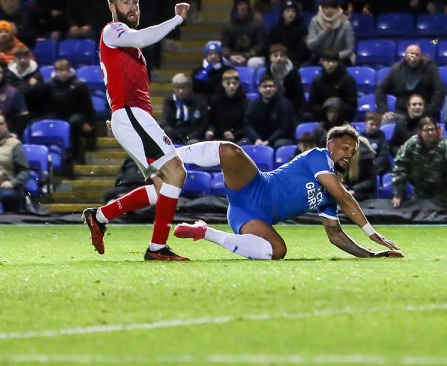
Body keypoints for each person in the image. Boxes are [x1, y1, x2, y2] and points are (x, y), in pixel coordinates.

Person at [172, 126, 402, 260]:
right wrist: (370, 232)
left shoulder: (330, 191)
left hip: (249, 217)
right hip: (254, 187)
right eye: (345, 147)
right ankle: (168, 154)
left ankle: (204, 232)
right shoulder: (318, 156)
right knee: (231, 151)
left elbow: (336, 236)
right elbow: (345, 197)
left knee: (278, 251)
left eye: (353, 152)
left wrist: (370, 255)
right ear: (330, 144)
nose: (349, 154)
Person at [82, 0, 191, 261]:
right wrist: (177, 18)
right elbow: (142, 38)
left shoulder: (123, 40)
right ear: (113, 7)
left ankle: (101, 215)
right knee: (176, 173)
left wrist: (118, 115)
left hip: (127, 116)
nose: (133, 7)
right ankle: (157, 249)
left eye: (136, 2)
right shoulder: (113, 30)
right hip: (131, 114)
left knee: (161, 187)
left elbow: (118, 78)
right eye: (126, 2)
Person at [391, 116, 447, 210]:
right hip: (419, 193)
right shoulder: (412, 144)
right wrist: (398, 194)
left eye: (432, 130)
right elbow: (400, 167)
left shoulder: (444, 145)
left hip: (442, 194)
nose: (430, 133)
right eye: (426, 130)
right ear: (420, 132)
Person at [41, 59, 97, 160]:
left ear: (69, 70)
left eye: (65, 70)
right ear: (56, 72)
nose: (63, 73)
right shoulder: (49, 85)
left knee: (73, 122)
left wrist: (89, 122)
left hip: (76, 114)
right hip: (57, 114)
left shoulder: (79, 85)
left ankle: (74, 155)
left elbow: (87, 106)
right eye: (60, 70)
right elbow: (46, 105)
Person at [376, 44, 445, 120]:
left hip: (425, 114)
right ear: (405, 57)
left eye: (417, 54)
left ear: (421, 56)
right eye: (411, 54)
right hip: (401, 113)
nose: (413, 57)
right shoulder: (396, 69)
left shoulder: (431, 69)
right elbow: (380, 89)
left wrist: (429, 111)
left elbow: (439, 91)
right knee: (385, 122)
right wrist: (384, 110)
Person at [0, 114, 30, 213]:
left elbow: (24, 171)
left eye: (1, 124)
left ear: (6, 126)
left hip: (2, 189)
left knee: (9, 197)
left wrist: (13, 183)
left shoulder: (14, 144)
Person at [243, 73, 296, 148]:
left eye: (271, 86)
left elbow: (284, 128)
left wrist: (269, 141)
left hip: (280, 139)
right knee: (243, 143)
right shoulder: (253, 105)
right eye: (265, 86)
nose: (268, 89)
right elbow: (248, 125)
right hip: (260, 140)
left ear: (276, 88)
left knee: (280, 144)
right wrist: (256, 139)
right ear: (259, 89)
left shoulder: (284, 104)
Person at [308, 50, 358, 123]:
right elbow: (312, 104)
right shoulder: (317, 81)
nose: (331, 64)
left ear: (338, 63)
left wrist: (335, 111)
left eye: (333, 61)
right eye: (328, 61)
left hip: (343, 118)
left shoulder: (348, 80)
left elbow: (352, 105)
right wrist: (326, 112)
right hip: (322, 118)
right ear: (322, 62)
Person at [221, 0, 267, 67]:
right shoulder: (229, 22)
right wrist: (229, 56)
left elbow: (261, 44)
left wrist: (247, 56)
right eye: (240, 4)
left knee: (253, 63)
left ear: (248, 6)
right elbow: (225, 44)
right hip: (234, 55)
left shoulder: (257, 20)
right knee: (222, 61)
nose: (242, 7)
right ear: (235, 6)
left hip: (253, 55)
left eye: (245, 4)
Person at [0, 61, 28, 137]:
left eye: (0, 73)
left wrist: (15, 133)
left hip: (7, 133)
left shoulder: (12, 92)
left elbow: (23, 116)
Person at [306, 0, 356, 65]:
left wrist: (334, 57)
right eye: (326, 8)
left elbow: (350, 49)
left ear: (337, 9)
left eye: (333, 8)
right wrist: (324, 32)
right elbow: (310, 46)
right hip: (320, 59)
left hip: (340, 58)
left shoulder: (345, 23)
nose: (329, 10)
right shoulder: (315, 22)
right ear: (322, 9)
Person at [160, 73, 207, 145]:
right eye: (177, 88)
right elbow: (165, 122)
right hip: (174, 135)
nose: (180, 91)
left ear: (190, 88)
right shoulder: (169, 101)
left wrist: (189, 137)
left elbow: (202, 125)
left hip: (193, 136)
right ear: (173, 88)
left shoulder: (199, 101)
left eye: (183, 87)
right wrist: (174, 135)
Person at [204, 68, 248, 142]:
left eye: (234, 83)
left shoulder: (245, 102)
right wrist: (211, 130)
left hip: (238, 138)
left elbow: (247, 125)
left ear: (238, 84)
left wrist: (234, 133)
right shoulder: (215, 101)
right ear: (223, 84)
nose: (231, 86)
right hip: (218, 136)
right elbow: (211, 121)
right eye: (228, 83)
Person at [266, 0, 310, 65]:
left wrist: (286, 58)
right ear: (282, 13)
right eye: (288, 11)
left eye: (293, 11)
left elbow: (302, 50)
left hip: (296, 60)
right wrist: (278, 57)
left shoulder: (303, 29)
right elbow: (271, 46)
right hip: (278, 59)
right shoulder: (275, 29)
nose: (291, 13)